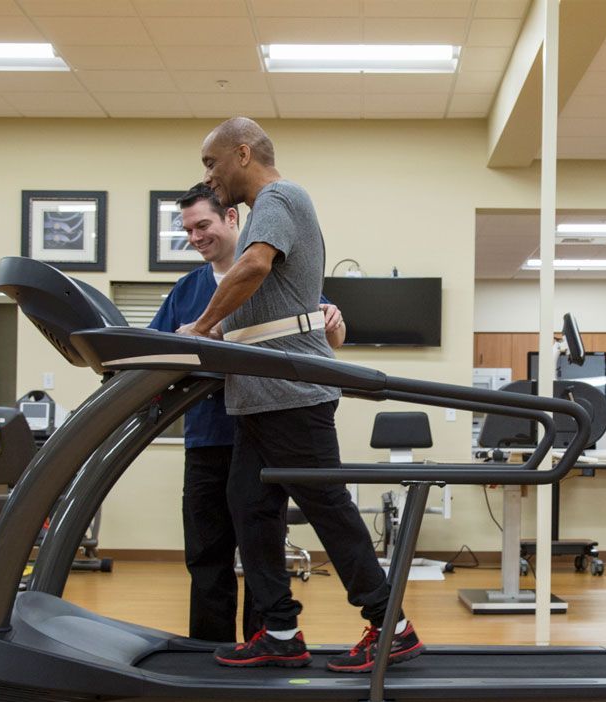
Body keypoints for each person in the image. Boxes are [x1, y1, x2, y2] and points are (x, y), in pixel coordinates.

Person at [178, 117, 423, 671]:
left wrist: (200, 327)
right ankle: (280, 629)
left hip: (292, 392)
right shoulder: (270, 204)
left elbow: (255, 265)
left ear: (242, 154)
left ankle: (393, 625)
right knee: (249, 507)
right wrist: (212, 332)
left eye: (212, 164)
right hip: (261, 398)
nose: (210, 177)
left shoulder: (280, 197)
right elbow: (259, 297)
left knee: (329, 510)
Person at [151, 184, 345, 644]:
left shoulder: (275, 276)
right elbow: (156, 353)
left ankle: (266, 645)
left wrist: (334, 327)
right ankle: (209, 652)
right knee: (206, 555)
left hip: (262, 432)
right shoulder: (185, 291)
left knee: (262, 552)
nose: (196, 237)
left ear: (233, 220)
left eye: (204, 225)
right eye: (188, 230)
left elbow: (323, 342)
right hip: (207, 439)